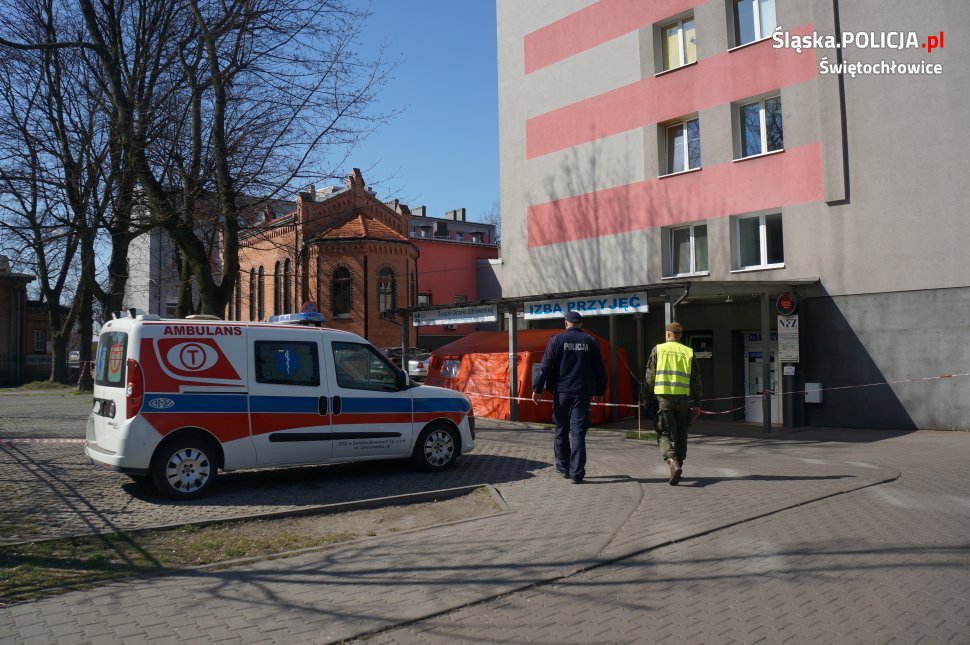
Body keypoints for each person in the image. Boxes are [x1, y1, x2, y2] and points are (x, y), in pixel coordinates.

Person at [532, 310, 607, 484]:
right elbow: (600, 369)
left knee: (561, 429)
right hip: (582, 393)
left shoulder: (556, 340)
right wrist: (600, 391)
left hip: (561, 393)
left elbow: (546, 366)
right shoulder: (591, 341)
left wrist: (537, 388)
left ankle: (564, 468)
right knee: (578, 433)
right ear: (581, 324)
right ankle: (577, 473)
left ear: (566, 323)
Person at [641, 321, 702, 485]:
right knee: (682, 433)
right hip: (683, 400)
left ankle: (672, 462)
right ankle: (679, 465)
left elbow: (650, 376)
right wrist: (697, 403)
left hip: (663, 400)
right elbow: (696, 380)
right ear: (680, 335)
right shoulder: (688, 352)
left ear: (668, 334)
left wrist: (645, 397)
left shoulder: (658, 349)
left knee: (664, 433)